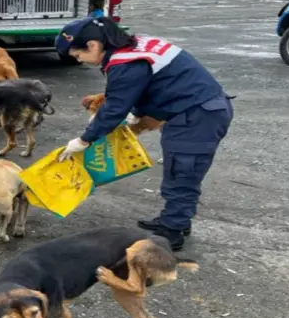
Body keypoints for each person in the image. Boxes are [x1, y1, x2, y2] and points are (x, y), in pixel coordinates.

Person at [54, 16, 233, 250]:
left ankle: (172, 232)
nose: (80, 61)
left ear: (93, 45)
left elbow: (115, 108)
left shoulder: (124, 62)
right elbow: (145, 87)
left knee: (182, 171)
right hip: (195, 111)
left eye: (78, 56)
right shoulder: (135, 45)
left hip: (197, 116)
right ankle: (175, 218)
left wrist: (83, 140)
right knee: (179, 170)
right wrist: (138, 115)